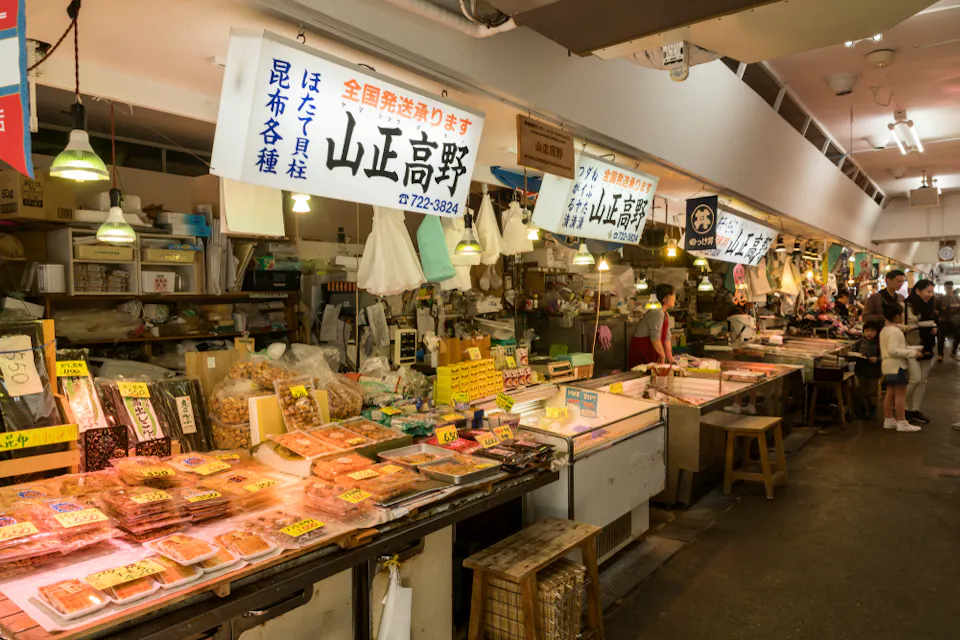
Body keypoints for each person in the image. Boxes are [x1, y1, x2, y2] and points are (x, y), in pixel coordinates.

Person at [880, 303, 922, 432]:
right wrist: (913, 353)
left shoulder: (885, 330)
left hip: (887, 365)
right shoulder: (895, 331)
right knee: (900, 394)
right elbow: (894, 350)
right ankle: (902, 421)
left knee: (890, 392)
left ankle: (888, 419)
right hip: (897, 365)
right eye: (902, 313)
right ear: (897, 315)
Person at [904, 279, 936, 424]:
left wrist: (935, 328)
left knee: (922, 381)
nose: (930, 294)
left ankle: (914, 409)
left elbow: (934, 321)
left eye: (931, 292)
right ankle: (902, 407)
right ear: (918, 291)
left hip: (927, 346)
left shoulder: (929, 306)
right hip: (911, 346)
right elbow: (898, 325)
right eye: (927, 291)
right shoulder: (905, 306)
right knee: (914, 380)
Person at [629, 284, 675, 367]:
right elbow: (655, 338)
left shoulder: (665, 314)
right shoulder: (657, 312)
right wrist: (663, 356)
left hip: (651, 352)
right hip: (642, 353)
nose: (674, 297)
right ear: (665, 299)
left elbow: (667, 338)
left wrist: (670, 358)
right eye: (672, 295)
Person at [852, 319, 883, 419]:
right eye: (867, 331)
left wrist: (877, 359)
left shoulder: (879, 344)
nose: (869, 333)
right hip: (861, 370)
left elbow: (883, 356)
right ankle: (862, 409)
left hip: (874, 371)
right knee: (862, 389)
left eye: (872, 331)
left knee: (873, 390)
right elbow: (852, 354)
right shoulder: (858, 343)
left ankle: (873, 409)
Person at [936, 281, 959, 361]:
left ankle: (953, 353)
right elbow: (943, 308)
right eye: (947, 288)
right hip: (943, 320)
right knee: (941, 338)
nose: (949, 289)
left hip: (954, 321)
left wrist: (952, 307)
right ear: (945, 288)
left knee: (958, 336)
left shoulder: (956, 297)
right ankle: (940, 354)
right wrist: (954, 307)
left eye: (950, 287)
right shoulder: (942, 298)